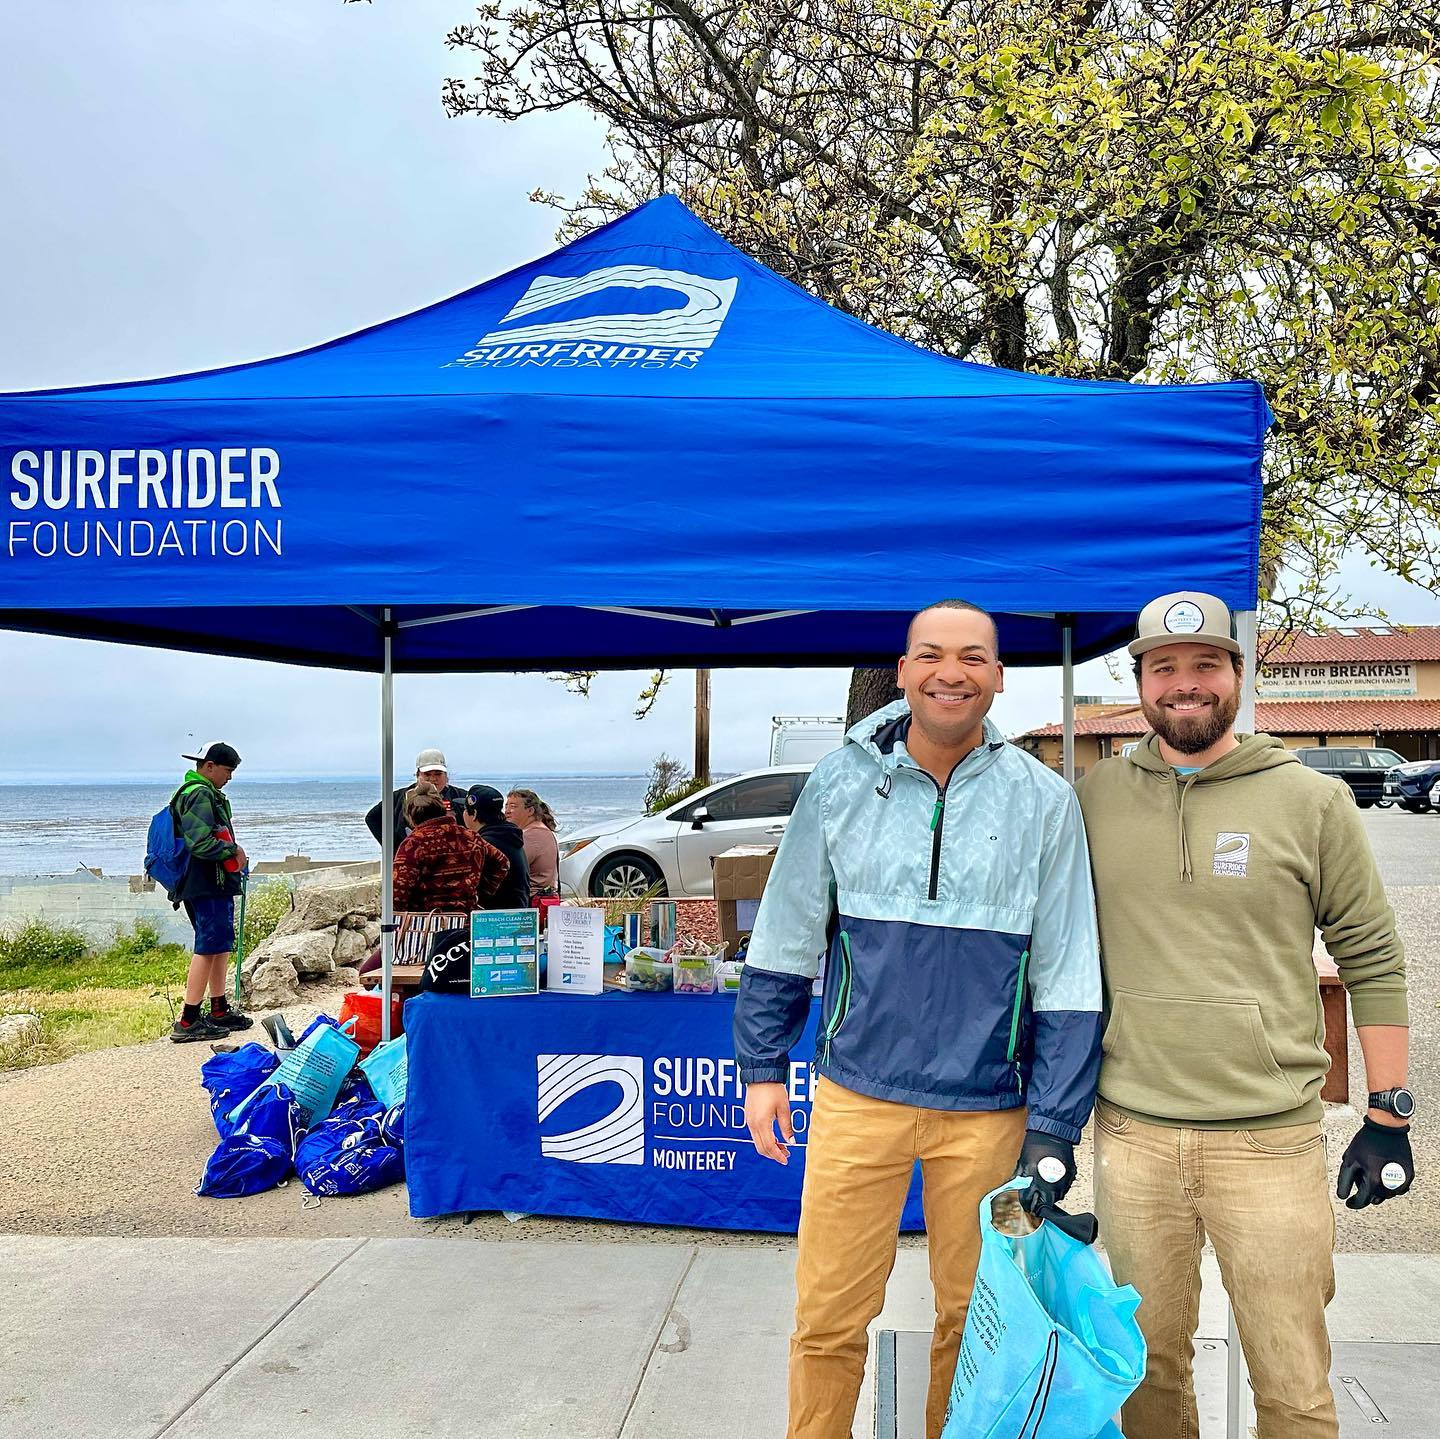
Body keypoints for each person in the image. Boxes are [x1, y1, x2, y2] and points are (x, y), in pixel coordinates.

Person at [734, 599, 1102, 1439]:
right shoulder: (838, 783)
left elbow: (1069, 971)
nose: (952, 672)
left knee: (978, 1322)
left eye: (973, 657)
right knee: (827, 1319)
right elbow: (787, 931)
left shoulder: (1046, 801)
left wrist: (1053, 1123)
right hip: (857, 1101)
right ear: (901, 671)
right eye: (931, 654)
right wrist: (761, 1068)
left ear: (999, 676)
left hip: (990, 1116)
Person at [1076, 591, 1413, 1439]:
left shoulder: (1311, 802)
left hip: (1271, 1142)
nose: (1185, 684)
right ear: (1140, 680)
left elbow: (1373, 955)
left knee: (1292, 1382)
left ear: (1236, 672)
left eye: (1205, 665)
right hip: (1135, 1135)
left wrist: (1389, 1112)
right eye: (1165, 668)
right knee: (1146, 1375)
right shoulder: (1092, 800)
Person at [169, 741, 253, 1042]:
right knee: (207, 947)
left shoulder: (204, 793)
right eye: (227, 770)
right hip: (204, 882)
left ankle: (219, 1008)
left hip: (214, 881)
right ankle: (189, 1019)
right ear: (209, 766)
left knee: (220, 944)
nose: (229, 777)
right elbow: (199, 842)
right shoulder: (199, 794)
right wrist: (235, 850)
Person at [391, 782, 510, 912]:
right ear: (442, 810)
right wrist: (481, 893)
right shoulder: (470, 836)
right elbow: (502, 862)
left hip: (428, 923)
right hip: (466, 920)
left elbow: (398, 892)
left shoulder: (413, 844)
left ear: (411, 817)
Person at [365, 748, 466, 845]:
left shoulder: (461, 797)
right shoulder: (400, 797)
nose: (433, 779)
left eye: (438, 774)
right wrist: (393, 847)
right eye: (427, 774)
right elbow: (372, 818)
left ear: (446, 775)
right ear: (418, 775)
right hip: (410, 856)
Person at [463, 785, 531, 908]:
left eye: (465, 810)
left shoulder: (484, 845)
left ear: (474, 814)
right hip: (519, 914)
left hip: (494, 919)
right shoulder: (510, 836)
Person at [504, 788, 560, 898]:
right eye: (506, 806)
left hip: (530, 900)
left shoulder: (532, 835)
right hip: (539, 897)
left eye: (513, 806)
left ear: (530, 811)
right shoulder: (541, 830)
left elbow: (509, 868)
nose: (507, 811)